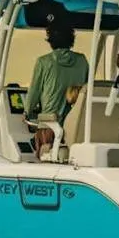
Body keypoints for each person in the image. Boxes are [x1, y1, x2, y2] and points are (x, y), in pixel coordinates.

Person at [24, 20, 89, 156]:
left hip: (51, 126)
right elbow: (87, 90)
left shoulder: (44, 62)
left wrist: (27, 113)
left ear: (50, 39)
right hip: (77, 126)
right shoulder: (82, 60)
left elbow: (34, 93)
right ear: (71, 39)